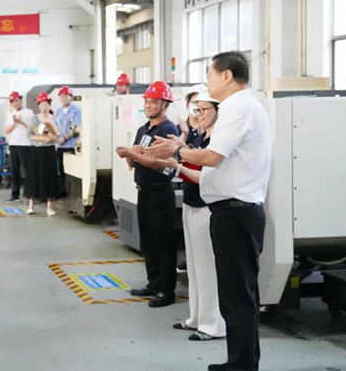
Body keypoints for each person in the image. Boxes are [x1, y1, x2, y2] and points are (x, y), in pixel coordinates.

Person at [145, 52, 271, 371]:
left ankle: (242, 365)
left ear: (227, 76)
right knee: (234, 293)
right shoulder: (239, 107)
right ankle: (239, 361)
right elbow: (216, 167)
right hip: (231, 212)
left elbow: (213, 157)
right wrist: (177, 159)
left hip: (236, 213)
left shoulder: (238, 107)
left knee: (238, 295)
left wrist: (178, 150)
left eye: (210, 75)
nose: (207, 81)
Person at [159, 90, 226, 342]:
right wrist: (180, 148)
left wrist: (177, 164)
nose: (199, 114)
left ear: (218, 110)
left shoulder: (217, 141)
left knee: (208, 268)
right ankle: (196, 317)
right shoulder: (200, 135)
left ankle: (213, 324)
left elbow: (205, 176)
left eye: (204, 109)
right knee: (195, 267)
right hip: (191, 202)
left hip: (207, 205)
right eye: (196, 109)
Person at [114, 81, 179, 308]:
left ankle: (167, 290)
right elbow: (134, 163)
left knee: (163, 242)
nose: (149, 105)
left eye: (154, 102)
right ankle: (154, 282)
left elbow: (161, 164)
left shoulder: (168, 130)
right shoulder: (143, 129)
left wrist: (134, 154)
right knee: (149, 241)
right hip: (143, 192)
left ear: (165, 104)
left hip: (160, 192)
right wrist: (129, 155)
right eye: (147, 101)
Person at [25, 92, 61, 216]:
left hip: (49, 151)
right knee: (33, 176)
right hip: (36, 151)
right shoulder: (34, 119)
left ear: (50, 105)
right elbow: (29, 135)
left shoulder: (54, 119)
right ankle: (31, 205)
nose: (44, 107)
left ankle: (50, 207)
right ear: (38, 106)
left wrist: (51, 137)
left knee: (50, 177)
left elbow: (58, 137)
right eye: (42, 105)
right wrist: (43, 138)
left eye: (46, 104)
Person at [4, 91, 33, 203]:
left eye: (17, 100)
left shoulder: (28, 112)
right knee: (14, 170)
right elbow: (7, 130)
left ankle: (28, 195)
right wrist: (15, 124)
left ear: (21, 100)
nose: (16, 103)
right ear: (11, 104)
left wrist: (21, 122)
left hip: (25, 144)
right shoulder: (10, 115)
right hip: (13, 144)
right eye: (13, 102)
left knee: (27, 170)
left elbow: (32, 128)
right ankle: (15, 194)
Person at [53, 85, 80, 197]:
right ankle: (62, 191)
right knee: (61, 169)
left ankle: (73, 192)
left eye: (66, 96)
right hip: (60, 146)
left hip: (71, 145)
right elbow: (55, 127)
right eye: (62, 96)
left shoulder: (76, 111)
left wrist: (65, 137)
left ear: (71, 97)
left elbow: (77, 128)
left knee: (72, 169)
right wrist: (57, 138)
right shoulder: (58, 112)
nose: (64, 98)